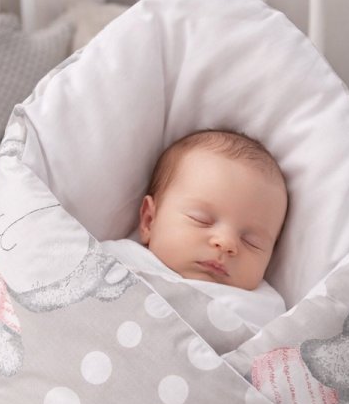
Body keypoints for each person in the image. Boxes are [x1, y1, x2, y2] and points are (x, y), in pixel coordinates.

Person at [102, 129, 288, 332]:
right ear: (149, 221)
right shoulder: (116, 260)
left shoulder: (265, 311)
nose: (226, 242)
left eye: (252, 242)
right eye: (201, 220)